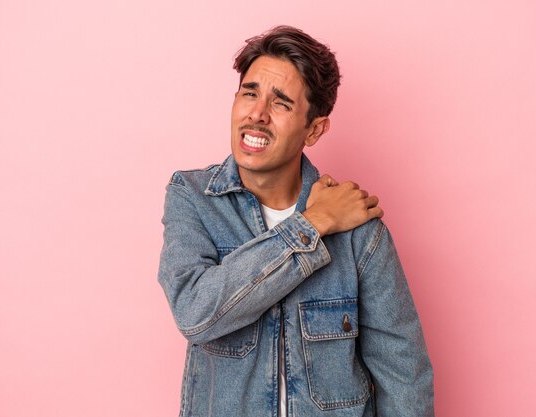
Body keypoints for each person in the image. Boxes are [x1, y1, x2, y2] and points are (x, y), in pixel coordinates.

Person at [158, 25, 434, 417]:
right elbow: (195, 312)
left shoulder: (358, 229)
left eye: (281, 103)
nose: (257, 114)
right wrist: (313, 223)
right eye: (249, 93)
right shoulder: (193, 197)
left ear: (315, 128)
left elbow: (403, 373)